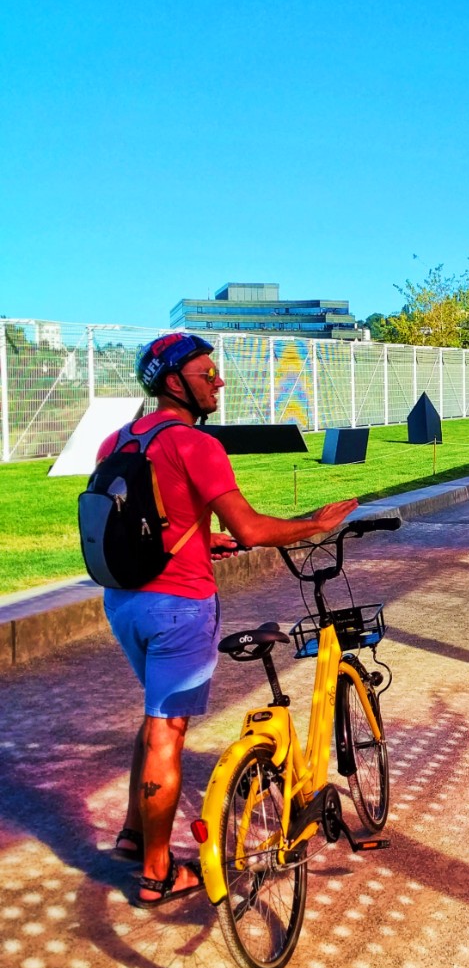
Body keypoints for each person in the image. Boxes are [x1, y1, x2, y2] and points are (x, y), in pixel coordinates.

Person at [100, 333, 357, 905]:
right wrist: (315, 524)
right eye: (206, 373)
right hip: (179, 606)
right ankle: (158, 874)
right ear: (174, 383)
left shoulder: (116, 442)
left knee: (156, 717)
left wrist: (199, 538)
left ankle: (134, 834)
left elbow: (138, 521)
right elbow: (252, 529)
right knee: (168, 729)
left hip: (124, 603)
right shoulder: (195, 444)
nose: (218, 381)